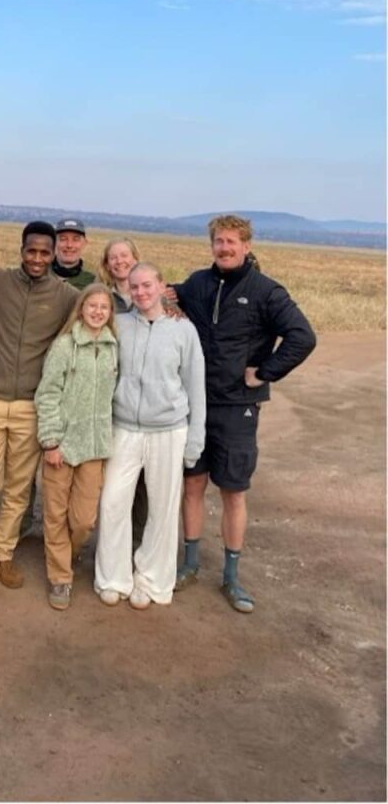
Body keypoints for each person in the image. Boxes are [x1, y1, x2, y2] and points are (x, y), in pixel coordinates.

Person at [172, 215, 316, 613]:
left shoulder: (266, 291)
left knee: (234, 491)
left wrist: (265, 372)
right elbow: (164, 295)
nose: (225, 248)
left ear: (247, 245)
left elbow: (302, 336)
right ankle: (189, 565)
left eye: (232, 241)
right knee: (193, 487)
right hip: (195, 403)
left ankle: (232, 577)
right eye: (219, 241)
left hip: (237, 407)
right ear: (211, 245)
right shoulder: (198, 283)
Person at [0, 221, 78, 589]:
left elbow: (100, 309)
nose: (37, 258)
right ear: (21, 249)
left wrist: (172, 301)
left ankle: (3, 555)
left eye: (45, 252)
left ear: (53, 254)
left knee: (18, 489)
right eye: (31, 251)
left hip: (30, 407)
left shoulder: (67, 295)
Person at [94, 263, 206, 610]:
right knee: (113, 502)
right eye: (134, 287)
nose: (141, 292)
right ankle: (112, 578)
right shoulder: (120, 324)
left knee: (162, 507)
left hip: (169, 430)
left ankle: (153, 580)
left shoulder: (183, 329)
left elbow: (194, 385)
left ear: (161, 286)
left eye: (147, 285)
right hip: (124, 426)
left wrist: (194, 441)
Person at [34, 284, 118, 610]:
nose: (97, 312)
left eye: (104, 307)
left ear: (110, 313)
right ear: (81, 309)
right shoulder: (64, 347)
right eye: (92, 306)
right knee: (55, 512)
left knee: (83, 519)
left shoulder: (113, 348)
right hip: (62, 443)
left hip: (95, 445)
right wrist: (51, 440)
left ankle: (67, 552)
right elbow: (48, 394)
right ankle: (60, 577)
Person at [98, 236, 149, 550]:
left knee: (143, 483)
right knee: (114, 478)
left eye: (125, 255)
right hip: (111, 398)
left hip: (145, 403)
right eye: (113, 257)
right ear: (106, 264)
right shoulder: (103, 298)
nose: (119, 261)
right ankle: (110, 546)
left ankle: (137, 544)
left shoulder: (154, 296)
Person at [51, 218, 95, 289]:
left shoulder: (93, 283)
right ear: (54, 242)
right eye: (63, 239)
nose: (69, 245)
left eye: (76, 239)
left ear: (84, 243)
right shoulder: (38, 276)